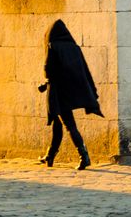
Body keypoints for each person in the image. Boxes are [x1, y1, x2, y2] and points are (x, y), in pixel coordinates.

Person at [37, 19, 103, 170]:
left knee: (69, 125)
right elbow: (83, 70)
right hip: (71, 91)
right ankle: (50, 155)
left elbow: (48, 69)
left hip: (58, 93)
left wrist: (46, 82)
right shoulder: (74, 48)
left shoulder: (53, 46)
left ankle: (83, 155)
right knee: (57, 123)